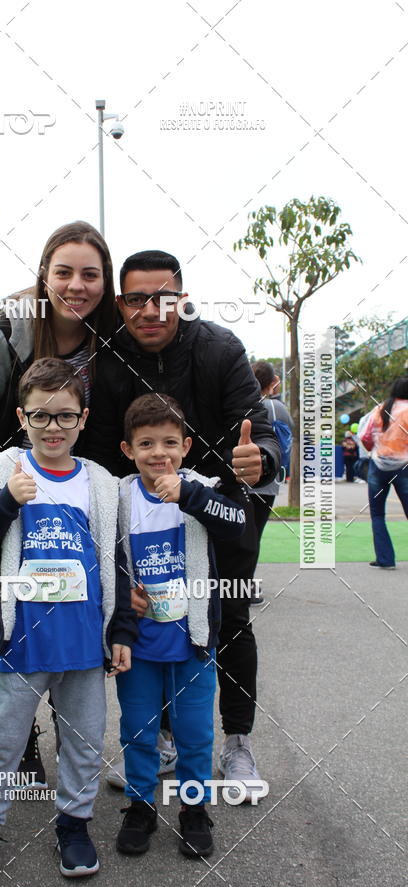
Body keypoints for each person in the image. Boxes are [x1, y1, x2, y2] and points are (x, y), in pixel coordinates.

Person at [82, 250, 280, 802]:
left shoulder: (220, 348)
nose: (150, 310)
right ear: (120, 303)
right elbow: (101, 452)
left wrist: (261, 458)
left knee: (229, 616)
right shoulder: (108, 357)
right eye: (136, 299)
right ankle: (164, 738)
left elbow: (260, 432)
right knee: (151, 615)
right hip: (145, 512)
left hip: (219, 505)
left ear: (182, 299)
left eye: (163, 298)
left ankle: (237, 742)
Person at [0, 220, 117, 781]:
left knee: (73, 613)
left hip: (72, 496)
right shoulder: (6, 331)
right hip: (3, 494)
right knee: (7, 618)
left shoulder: (109, 334)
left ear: (105, 280)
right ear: (44, 275)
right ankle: (21, 739)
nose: (77, 285)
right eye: (64, 272)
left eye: (90, 274)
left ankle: (72, 734)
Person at [0, 358, 136, 880]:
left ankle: (74, 827)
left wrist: (121, 629)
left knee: (85, 741)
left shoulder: (100, 484)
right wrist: (6, 501)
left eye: (65, 416)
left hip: (84, 645)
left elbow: (117, 564)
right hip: (22, 644)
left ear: (83, 419)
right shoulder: (0, 473)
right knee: (1, 740)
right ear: (22, 417)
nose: (53, 427)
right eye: (40, 415)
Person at [115, 394, 245, 859]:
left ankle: (194, 808)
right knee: (137, 729)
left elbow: (237, 524)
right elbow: (100, 555)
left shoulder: (202, 488)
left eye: (170, 442)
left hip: (193, 641)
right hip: (138, 644)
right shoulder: (118, 497)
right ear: (128, 450)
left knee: (194, 733)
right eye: (146, 443)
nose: (159, 453)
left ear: (186, 446)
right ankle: (140, 806)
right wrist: (121, 599)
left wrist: (190, 496)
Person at [247, 361, 293, 603]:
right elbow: (286, 437)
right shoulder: (275, 407)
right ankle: (246, 585)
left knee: (238, 533)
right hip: (265, 481)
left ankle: (231, 583)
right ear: (272, 383)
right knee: (254, 534)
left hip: (239, 478)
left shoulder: (241, 402)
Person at [359, 375, 408, 569]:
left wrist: (375, 450)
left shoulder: (379, 409)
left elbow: (365, 436)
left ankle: (385, 559)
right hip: (404, 467)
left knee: (378, 514)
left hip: (378, 466)